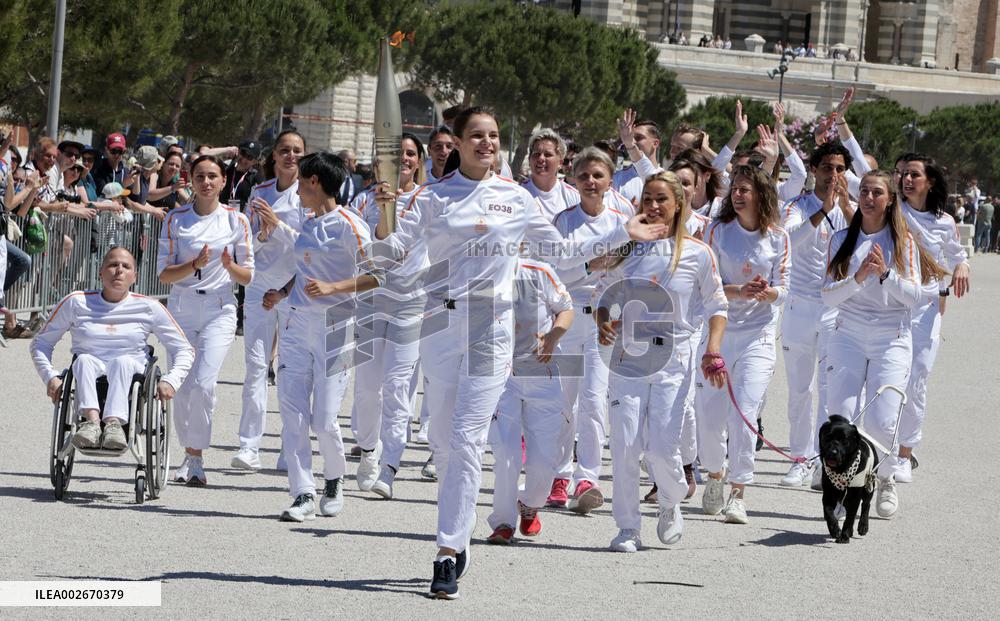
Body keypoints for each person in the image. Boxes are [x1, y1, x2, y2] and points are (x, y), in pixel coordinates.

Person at [365, 107, 664, 599]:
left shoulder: (516, 199)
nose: (487, 143)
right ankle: (456, 525)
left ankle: (446, 551)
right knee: (442, 439)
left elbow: (563, 253)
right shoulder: (431, 197)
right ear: (458, 143)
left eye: (494, 136)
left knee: (465, 438)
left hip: (493, 325)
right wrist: (383, 213)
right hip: (440, 323)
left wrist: (621, 233)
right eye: (476, 136)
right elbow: (387, 253)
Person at [596, 170, 728, 552]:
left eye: (661, 200)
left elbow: (718, 305)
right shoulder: (628, 249)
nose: (653, 207)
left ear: (678, 206)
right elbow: (602, 293)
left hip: (674, 356)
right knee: (623, 443)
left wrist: (713, 348)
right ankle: (627, 527)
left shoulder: (698, 253)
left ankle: (670, 501)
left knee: (660, 448)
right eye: (647, 199)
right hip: (628, 355)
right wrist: (604, 323)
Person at [260, 151, 374, 522]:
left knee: (324, 420)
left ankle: (334, 478)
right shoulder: (308, 224)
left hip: (336, 328)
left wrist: (333, 287)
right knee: (292, 415)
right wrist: (284, 292)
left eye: (300, 184)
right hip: (296, 326)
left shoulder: (350, 225)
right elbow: (304, 271)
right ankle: (302, 492)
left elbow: (377, 276)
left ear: (313, 182)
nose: (296, 192)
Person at [823, 170, 925, 518]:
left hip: (890, 338)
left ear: (890, 199)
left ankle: (885, 479)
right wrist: (858, 278)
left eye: (876, 192)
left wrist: (885, 274)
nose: (868, 198)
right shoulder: (841, 240)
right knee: (842, 416)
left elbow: (913, 298)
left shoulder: (904, 242)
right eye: (864, 191)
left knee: (882, 421)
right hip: (847, 336)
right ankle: (841, 489)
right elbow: (827, 295)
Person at [30, 247, 193, 450]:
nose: (119, 271)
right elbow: (41, 343)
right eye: (113, 265)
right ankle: (91, 422)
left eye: (126, 267)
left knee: (121, 362)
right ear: (101, 272)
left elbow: (184, 349)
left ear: (134, 276)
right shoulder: (77, 302)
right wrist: (50, 376)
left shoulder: (149, 307)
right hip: (89, 366)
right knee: (83, 360)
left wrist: (171, 380)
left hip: (131, 367)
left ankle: (114, 424)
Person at [697, 165, 789, 525]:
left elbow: (785, 287)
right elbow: (707, 283)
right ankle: (715, 476)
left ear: (761, 194)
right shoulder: (717, 231)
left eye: (745, 189)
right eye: (734, 189)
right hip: (719, 333)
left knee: (745, 412)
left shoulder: (778, 237)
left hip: (759, 335)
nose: (737, 195)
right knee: (710, 417)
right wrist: (737, 291)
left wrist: (769, 294)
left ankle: (739, 490)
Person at [157, 155, 254, 485]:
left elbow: (248, 276)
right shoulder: (175, 219)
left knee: (204, 383)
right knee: (182, 387)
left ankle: (196, 456)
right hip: (182, 307)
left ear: (223, 181)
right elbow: (164, 274)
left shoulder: (236, 221)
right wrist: (194, 265)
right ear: (191, 180)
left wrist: (229, 267)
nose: (207, 182)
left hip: (220, 309)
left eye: (213, 176)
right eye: (200, 176)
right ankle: (189, 453)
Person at [548, 147, 630, 513]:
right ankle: (558, 473)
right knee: (563, 402)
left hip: (606, 318)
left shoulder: (623, 217)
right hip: (568, 319)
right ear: (574, 180)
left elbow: (630, 268)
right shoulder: (563, 221)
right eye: (584, 176)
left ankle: (589, 476)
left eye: (598, 175)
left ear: (610, 180)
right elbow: (554, 274)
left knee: (595, 401)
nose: (591, 182)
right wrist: (589, 265)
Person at [348, 133, 427, 497]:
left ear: (418, 161)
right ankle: (369, 449)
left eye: (410, 155)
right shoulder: (363, 200)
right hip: (370, 300)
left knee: (398, 387)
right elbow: (368, 250)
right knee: (366, 389)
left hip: (410, 301)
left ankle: (391, 464)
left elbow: (403, 246)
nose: (404, 161)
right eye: (397, 156)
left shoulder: (428, 200)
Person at [778, 142, 855, 487]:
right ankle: (800, 458)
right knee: (799, 389)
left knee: (830, 390)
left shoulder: (855, 210)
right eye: (827, 168)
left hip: (834, 311)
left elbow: (867, 239)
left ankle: (827, 462)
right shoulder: (799, 205)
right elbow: (789, 239)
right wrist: (823, 210)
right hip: (798, 308)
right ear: (814, 170)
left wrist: (846, 208)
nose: (833, 175)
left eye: (840, 169)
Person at [232, 130, 306, 471]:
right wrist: (263, 235)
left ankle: (289, 447)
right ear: (273, 156)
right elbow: (247, 244)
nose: (290, 156)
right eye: (284, 151)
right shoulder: (260, 192)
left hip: (293, 290)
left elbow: (310, 246)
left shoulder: (309, 193)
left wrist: (277, 227)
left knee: (292, 372)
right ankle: (249, 445)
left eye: (296, 151)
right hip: (260, 286)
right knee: (256, 367)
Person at [485, 256, 573, 544]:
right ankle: (503, 522)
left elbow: (566, 309)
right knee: (507, 457)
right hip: (501, 377)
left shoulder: (539, 271)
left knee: (544, 463)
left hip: (542, 376)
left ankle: (529, 504)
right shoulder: (483, 268)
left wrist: (552, 338)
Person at [896, 154, 970, 485]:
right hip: (892, 307)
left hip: (925, 313)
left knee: (916, 383)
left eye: (914, 175)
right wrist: (842, 129)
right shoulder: (892, 210)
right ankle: (883, 446)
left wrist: (963, 265)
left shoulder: (944, 221)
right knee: (887, 380)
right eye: (904, 175)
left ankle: (905, 454)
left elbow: (956, 253)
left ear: (931, 182)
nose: (907, 180)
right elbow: (860, 177)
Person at [221, 140, 264, 208]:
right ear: (238, 152)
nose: (244, 159)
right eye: (243, 153)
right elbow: (203, 154)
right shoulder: (225, 168)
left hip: (240, 217)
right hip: (219, 215)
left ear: (255, 162)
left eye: (249, 157)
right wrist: (227, 150)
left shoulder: (255, 178)